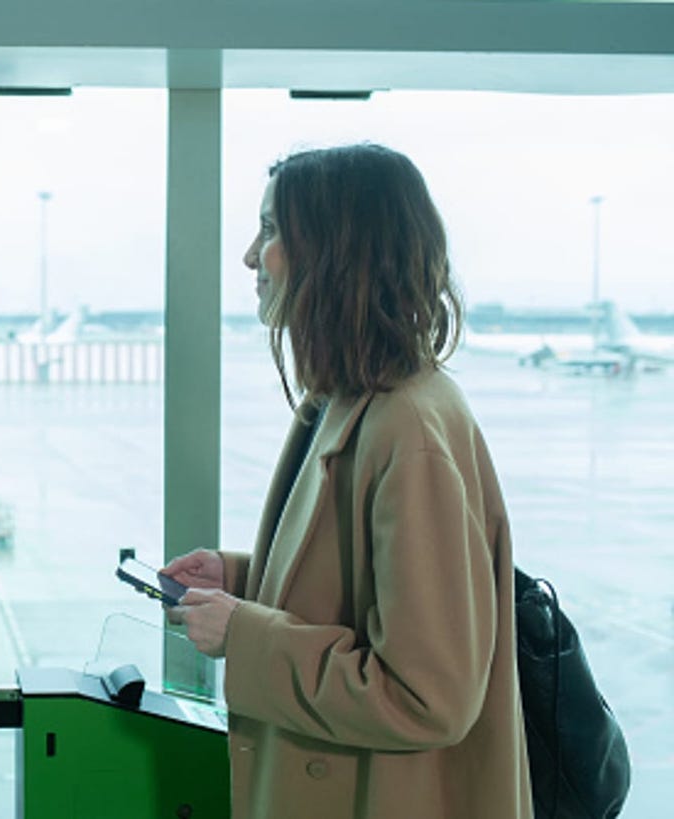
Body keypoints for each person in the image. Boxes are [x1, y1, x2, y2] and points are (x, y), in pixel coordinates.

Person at [163, 144, 532, 819]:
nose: (250, 255)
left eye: (271, 229)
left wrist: (243, 635)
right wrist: (239, 582)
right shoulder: (350, 402)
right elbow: (364, 593)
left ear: (336, 254)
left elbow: (427, 695)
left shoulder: (408, 431)